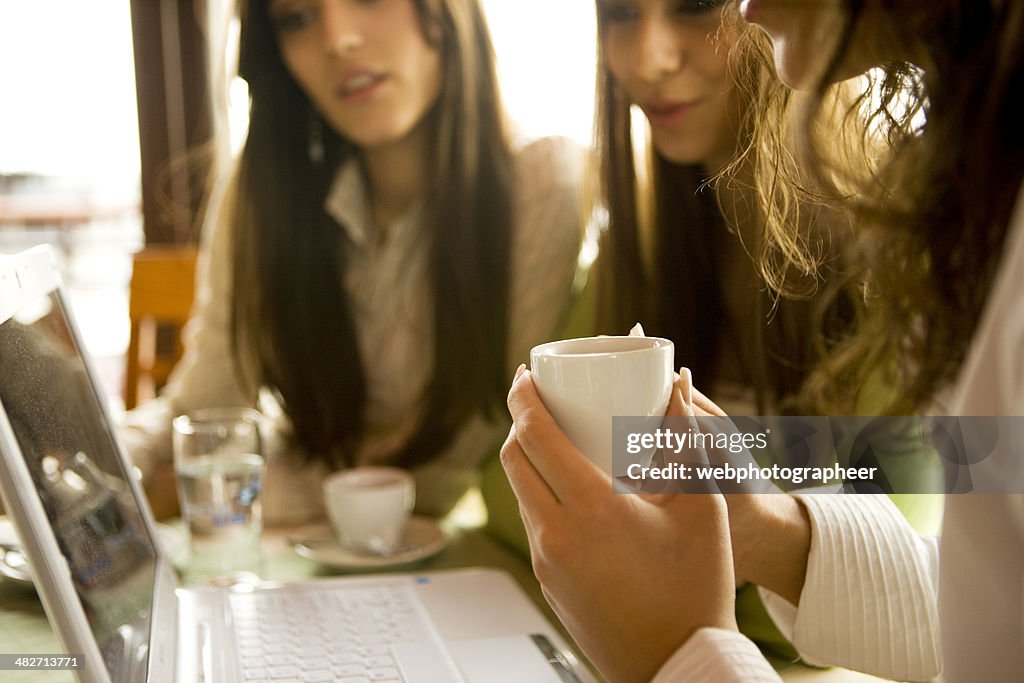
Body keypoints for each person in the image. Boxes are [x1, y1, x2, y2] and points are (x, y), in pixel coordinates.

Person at [501, 0, 1023, 681]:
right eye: (621, 13)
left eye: (694, 6)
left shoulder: (903, 261)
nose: (649, 58)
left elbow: (935, 502)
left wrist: (680, 640)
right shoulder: (638, 255)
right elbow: (982, 589)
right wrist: (760, 526)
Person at [121, 0, 585, 525]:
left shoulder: (542, 180)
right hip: (296, 552)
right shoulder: (264, 190)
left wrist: (205, 492)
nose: (337, 39)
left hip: (421, 558)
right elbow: (201, 408)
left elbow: (451, 462)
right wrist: (97, 462)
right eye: (296, 18)